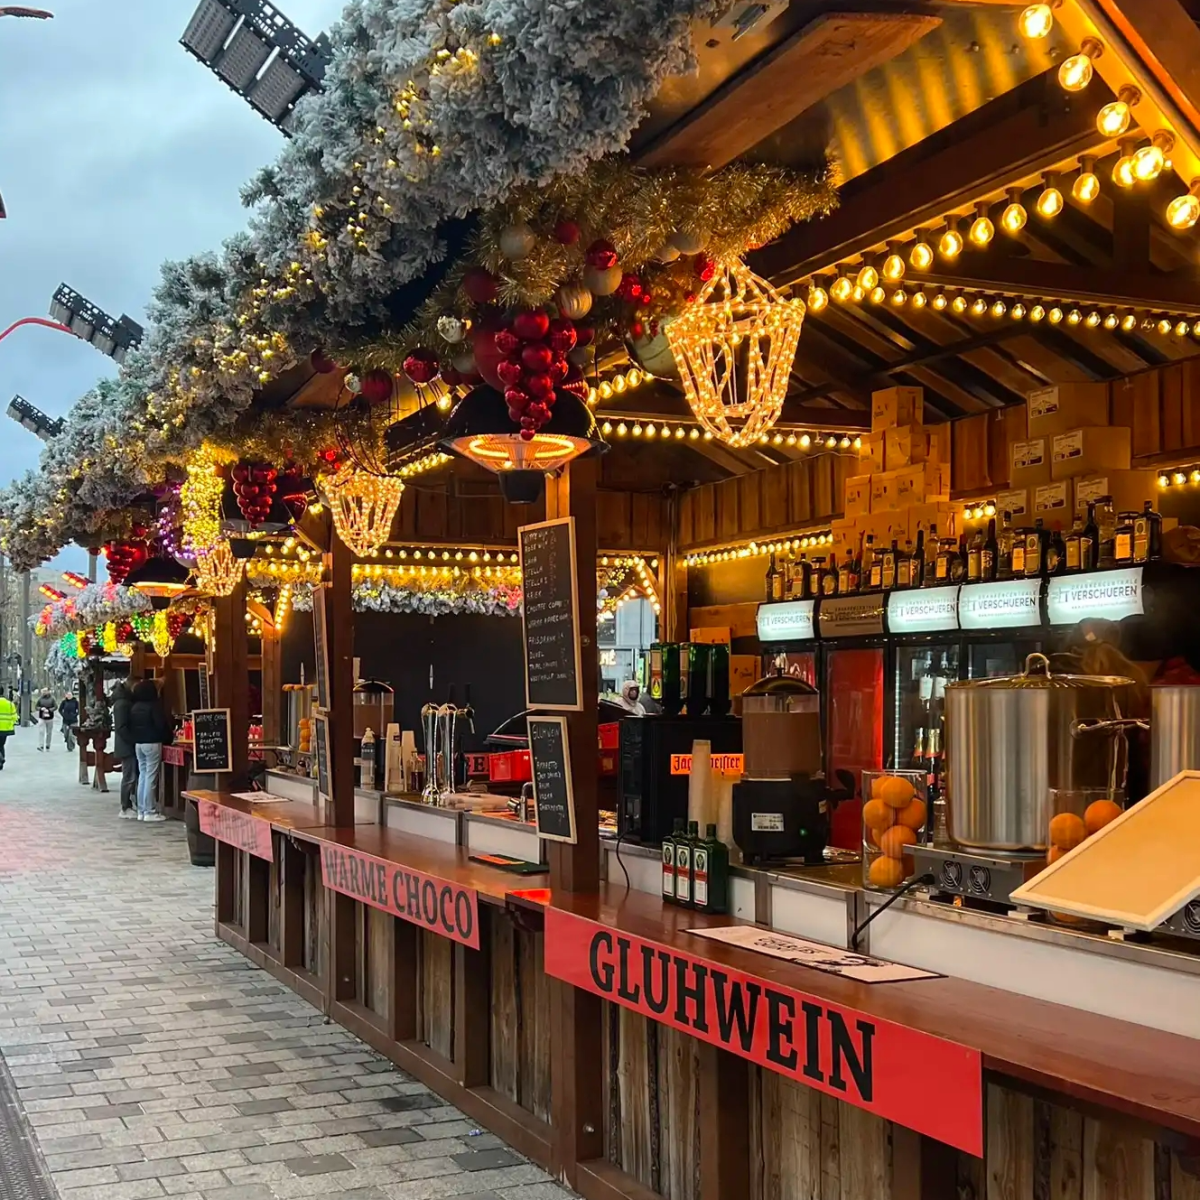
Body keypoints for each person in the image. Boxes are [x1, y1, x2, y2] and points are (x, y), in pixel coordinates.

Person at [129, 679, 169, 823]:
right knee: (151, 777)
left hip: (138, 744)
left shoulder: (134, 707)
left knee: (143, 776)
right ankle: (150, 811)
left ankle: (141, 810)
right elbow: (160, 725)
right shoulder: (153, 707)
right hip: (152, 743)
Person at [110, 680, 138, 818]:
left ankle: (128, 805)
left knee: (130, 775)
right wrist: (133, 741)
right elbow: (122, 727)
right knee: (129, 776)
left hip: (124, 744)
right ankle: (125, 806)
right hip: (126, 745)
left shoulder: (121, 703)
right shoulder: (122, 704)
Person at [0, 690, 16, 769]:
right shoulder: (9, 703)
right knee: (1, 745)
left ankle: (1, 759)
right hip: (6, 729)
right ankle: (1, 762)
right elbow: (14, 717)